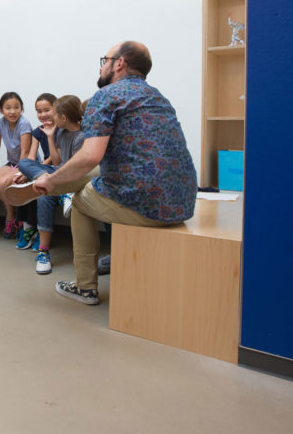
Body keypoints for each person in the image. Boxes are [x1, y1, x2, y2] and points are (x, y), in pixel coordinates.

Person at [29, 41, 197, 304]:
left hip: (148, 206)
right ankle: (45, 186)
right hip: (182, 202)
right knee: (92, 178)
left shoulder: (106, 95)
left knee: (80, 201)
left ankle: (84, 287)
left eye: (104, 60)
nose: (102, 66)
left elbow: (89, 155)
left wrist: (51, 178)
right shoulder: (157, 97)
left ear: (119, 63)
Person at [14, 95, 86, 274]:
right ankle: (43, 253)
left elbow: (74, 169)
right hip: (56, 173)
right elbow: (57, 160)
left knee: (45, 194)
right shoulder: (60, 131)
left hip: (73, 177)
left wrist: (54, 179)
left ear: (62, 117)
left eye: (53, 113)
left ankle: (43, 252)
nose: (49, 116)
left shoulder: (82, 136)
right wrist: (51, 137)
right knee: (24, 164)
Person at [15, 92, 57, 250]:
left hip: (55, 168)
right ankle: (28, 228)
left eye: (47, 110)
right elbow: (31, 157)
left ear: (56, 109)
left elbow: (55, 159)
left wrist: (35, 171)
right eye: (39, 111)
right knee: (23, 177)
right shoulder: (37, 131)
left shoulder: (60, 128)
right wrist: (25, 171)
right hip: (42, 169)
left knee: (36, 185)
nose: (43, 114)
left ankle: (40, 231)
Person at [0, 92, 32, 240]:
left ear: (21, 108)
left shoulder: (24, 123)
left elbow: (25, 152)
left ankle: (10, 216)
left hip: (25, 163)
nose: (12, 111)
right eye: (8, 108)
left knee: (4, 182)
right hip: (12, 163)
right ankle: (13, 214)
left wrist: (20, 171)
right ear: (1, 110)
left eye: (16, 107)